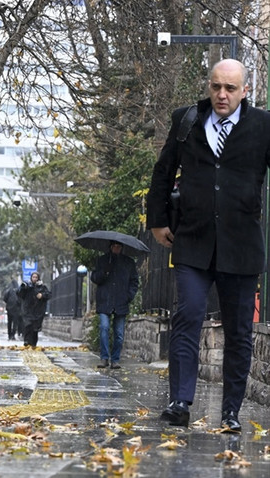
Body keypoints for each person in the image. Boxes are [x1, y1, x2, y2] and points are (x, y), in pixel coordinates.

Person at [147, 59, 270, 432]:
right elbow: (163, 171)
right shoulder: (186, 120)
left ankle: (231, 411)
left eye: (230, 88)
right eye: (216, 86)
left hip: (241, 246)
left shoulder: (263, 126)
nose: (222, 94)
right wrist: (157, 221)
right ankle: (180, 402)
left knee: (238, 332)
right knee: (188, 316)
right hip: (193, 241)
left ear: (245, 91)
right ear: (209, 86)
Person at [90, 241, 139, 370]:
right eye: (114, 246)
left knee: (119, 334)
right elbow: (94, 277)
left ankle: (115, 360)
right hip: (105, 300)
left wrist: (129, 296)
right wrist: (104, 272)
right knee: (104, 328)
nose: (116, 249)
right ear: (110, 247)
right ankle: (104, 358)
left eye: (119, 247)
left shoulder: (128, 262)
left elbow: (134, 281)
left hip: (121, 302)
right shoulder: (102, 260)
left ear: (122, 248)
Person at [16, 272, 50, 347]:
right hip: (28, 311)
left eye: (36, 277)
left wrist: (42, 295)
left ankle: (33, 344)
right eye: (33, 277)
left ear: (38, 278)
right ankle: (27, 341)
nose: (34, 279)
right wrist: (23, 288)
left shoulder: (42, 287)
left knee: (35, 329)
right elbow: (19, 294)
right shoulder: (27, 286)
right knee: (28, 326)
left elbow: (48, 295)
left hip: (38, 312)